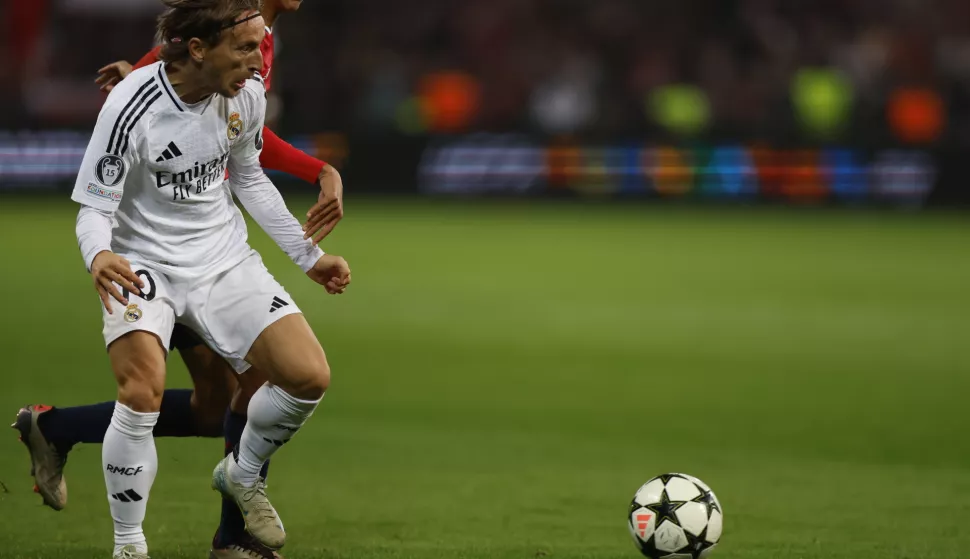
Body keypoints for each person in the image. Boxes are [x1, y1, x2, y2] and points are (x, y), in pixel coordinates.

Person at [13, 1, 338, 557]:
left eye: (258, 48)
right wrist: (98, 255)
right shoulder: (132, 103)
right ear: (198, 50)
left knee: (306, 378)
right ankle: (130, 545)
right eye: (243, 50)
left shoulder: (246, 91)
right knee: (142, 392)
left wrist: (309, 257)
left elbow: (250, 176)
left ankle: (242, 475)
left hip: (221, 260)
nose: (257, 62)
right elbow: (93, 205)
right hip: (145, 263)